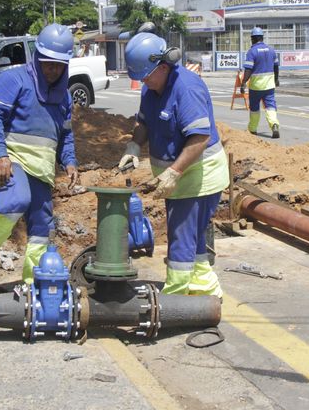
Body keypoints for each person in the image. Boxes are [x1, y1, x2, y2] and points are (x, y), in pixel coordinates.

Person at [118, 30, 228, 297]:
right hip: (178, 179)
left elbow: (200, 138)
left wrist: (174, 172)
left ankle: (176, 298)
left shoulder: (186, 88)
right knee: (193, 236)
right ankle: (205, 289)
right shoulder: (152, 87)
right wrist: (134, 146)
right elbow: (143, 122)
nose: (143, 80)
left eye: (145, 75)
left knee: (180, 237)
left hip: (198, 177)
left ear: (164, 66)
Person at [0, 23, 79, 283]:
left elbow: (66, 134)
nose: (52, 69)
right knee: (15, 200)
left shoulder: (63, 96)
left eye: (59, 65)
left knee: (42, 226)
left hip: (41, 166)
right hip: (11, 158)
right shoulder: (13, 79)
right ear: (37, 57)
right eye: (47, 63)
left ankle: (34, 282)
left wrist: (70, 161)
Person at [240, 27, 281, 138]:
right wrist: (276, 79)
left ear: (253, 39)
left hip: (256, 87)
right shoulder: (272, 50)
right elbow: (276, 67)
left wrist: (243, 82)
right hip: (269, 86)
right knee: (270, 106)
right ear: (262, 38)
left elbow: (248, 69)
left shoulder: (252, 51)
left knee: (254, 108)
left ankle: (253, 129)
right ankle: (274, 125)